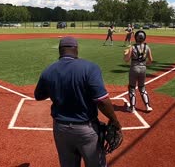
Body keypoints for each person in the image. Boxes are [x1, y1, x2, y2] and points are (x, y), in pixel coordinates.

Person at [34, 36, 122, 167]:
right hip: (86, 130)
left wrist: (55, 87)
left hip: (60, 129)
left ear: (60, 50)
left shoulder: (49, 70)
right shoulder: (90, 68)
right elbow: (102, 101)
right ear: (76, 49)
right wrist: (115, 121)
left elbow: (38, 96)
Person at [123, 30, 153, 113]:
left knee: (132, 88)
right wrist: (143, 64)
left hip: (134, 69)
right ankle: (147, 106)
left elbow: (126, 60)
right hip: (143, 69)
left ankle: (132, 108)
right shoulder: (147, 47)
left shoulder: (132, 47)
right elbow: (151, 60)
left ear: (136, 38)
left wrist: (125, 53)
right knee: (142, 88)